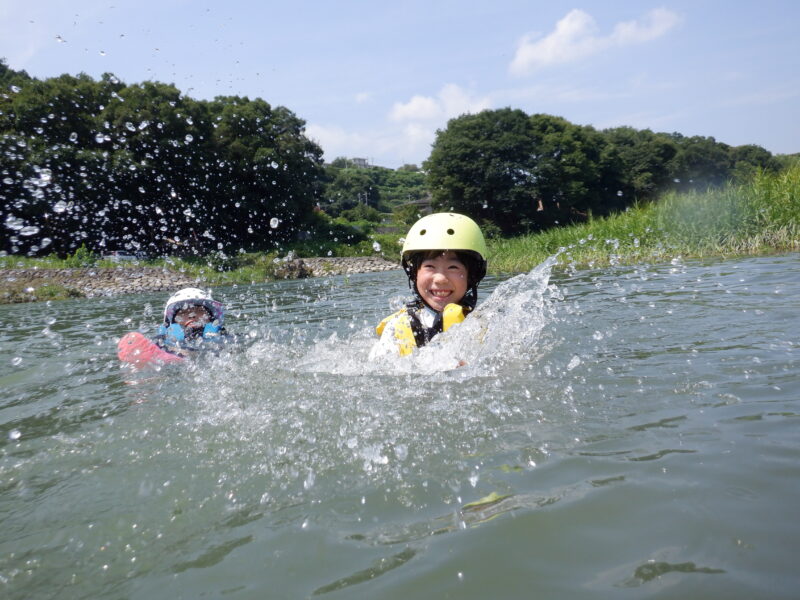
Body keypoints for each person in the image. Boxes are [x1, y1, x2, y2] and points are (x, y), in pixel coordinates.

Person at [370, 212, 487, 357]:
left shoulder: (485, 324)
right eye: (430, 266)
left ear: (472, 276)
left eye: (453, 267)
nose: (440, 279)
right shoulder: (396, 329)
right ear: (414, 274)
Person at [154, 287, 228, 357]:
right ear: (173, 321)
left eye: (200, 310)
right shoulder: (162, 341)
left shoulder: (222, 337)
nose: (192, 315)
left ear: (210, 318)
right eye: (184, 312)